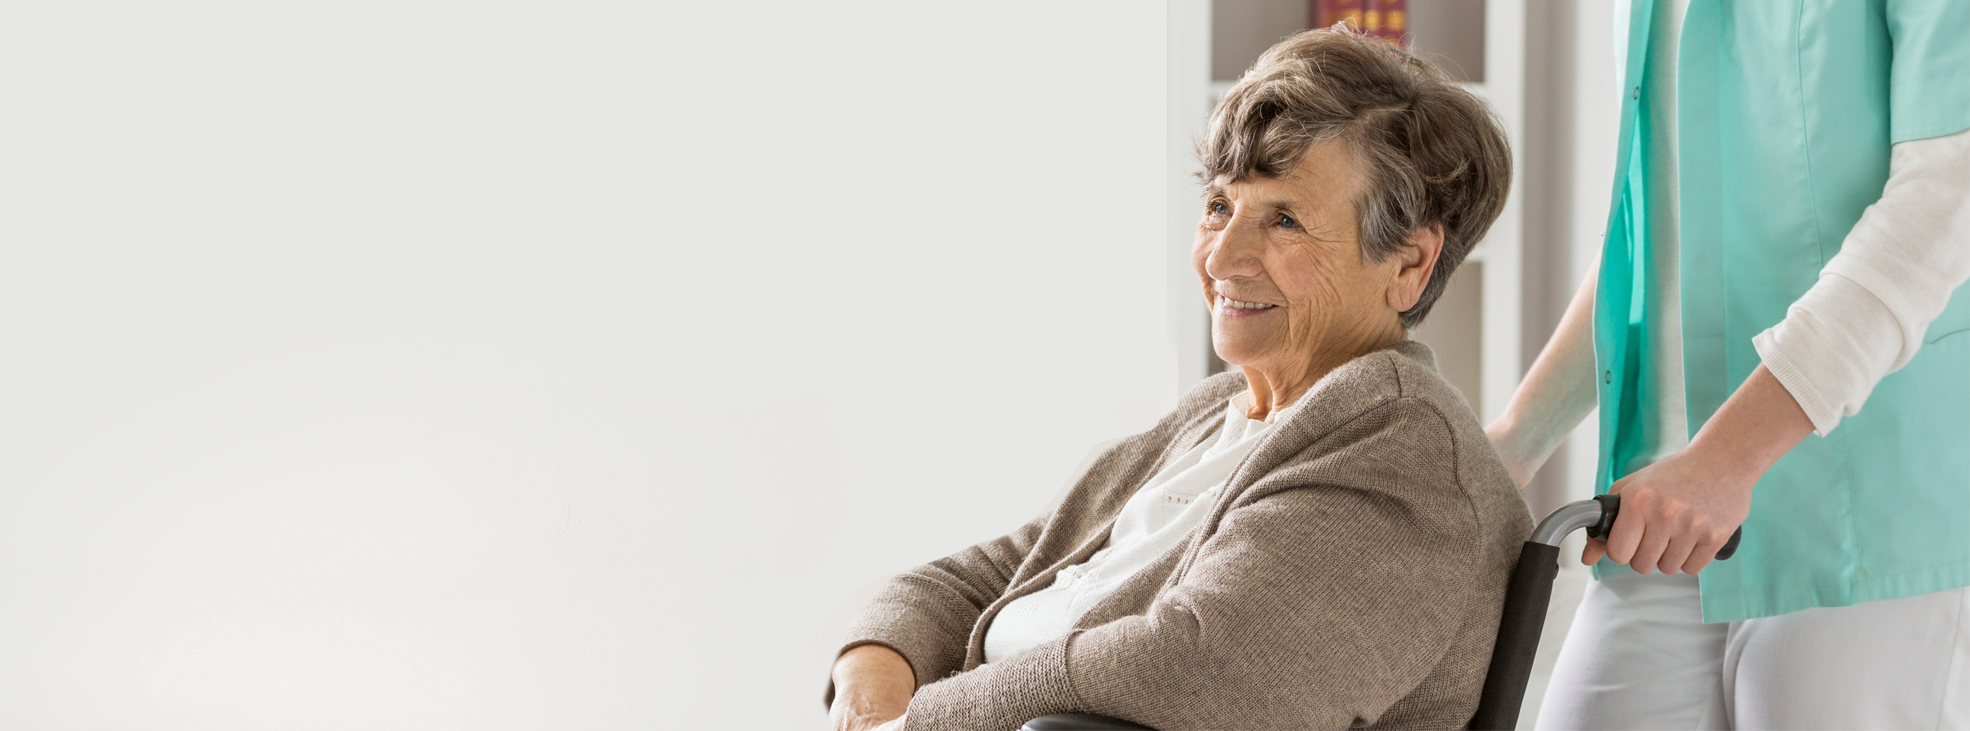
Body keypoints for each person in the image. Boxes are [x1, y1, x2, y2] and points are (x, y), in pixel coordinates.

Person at [824, 27, 1530, 731]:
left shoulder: (1405, 454)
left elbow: (1199, 671)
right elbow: (987, 573)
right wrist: (870, 693)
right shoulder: (1219, 414)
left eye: (1284, 220)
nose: (1223, 258)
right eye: (1220, 206)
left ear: (1408, 263)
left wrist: (921, 721)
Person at [1487, 0, 1970, 727]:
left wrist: (1725, 461)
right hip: (1665, 512)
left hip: (1862, 526)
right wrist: (1512, 446)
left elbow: (1945, 200)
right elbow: (1651, 227)